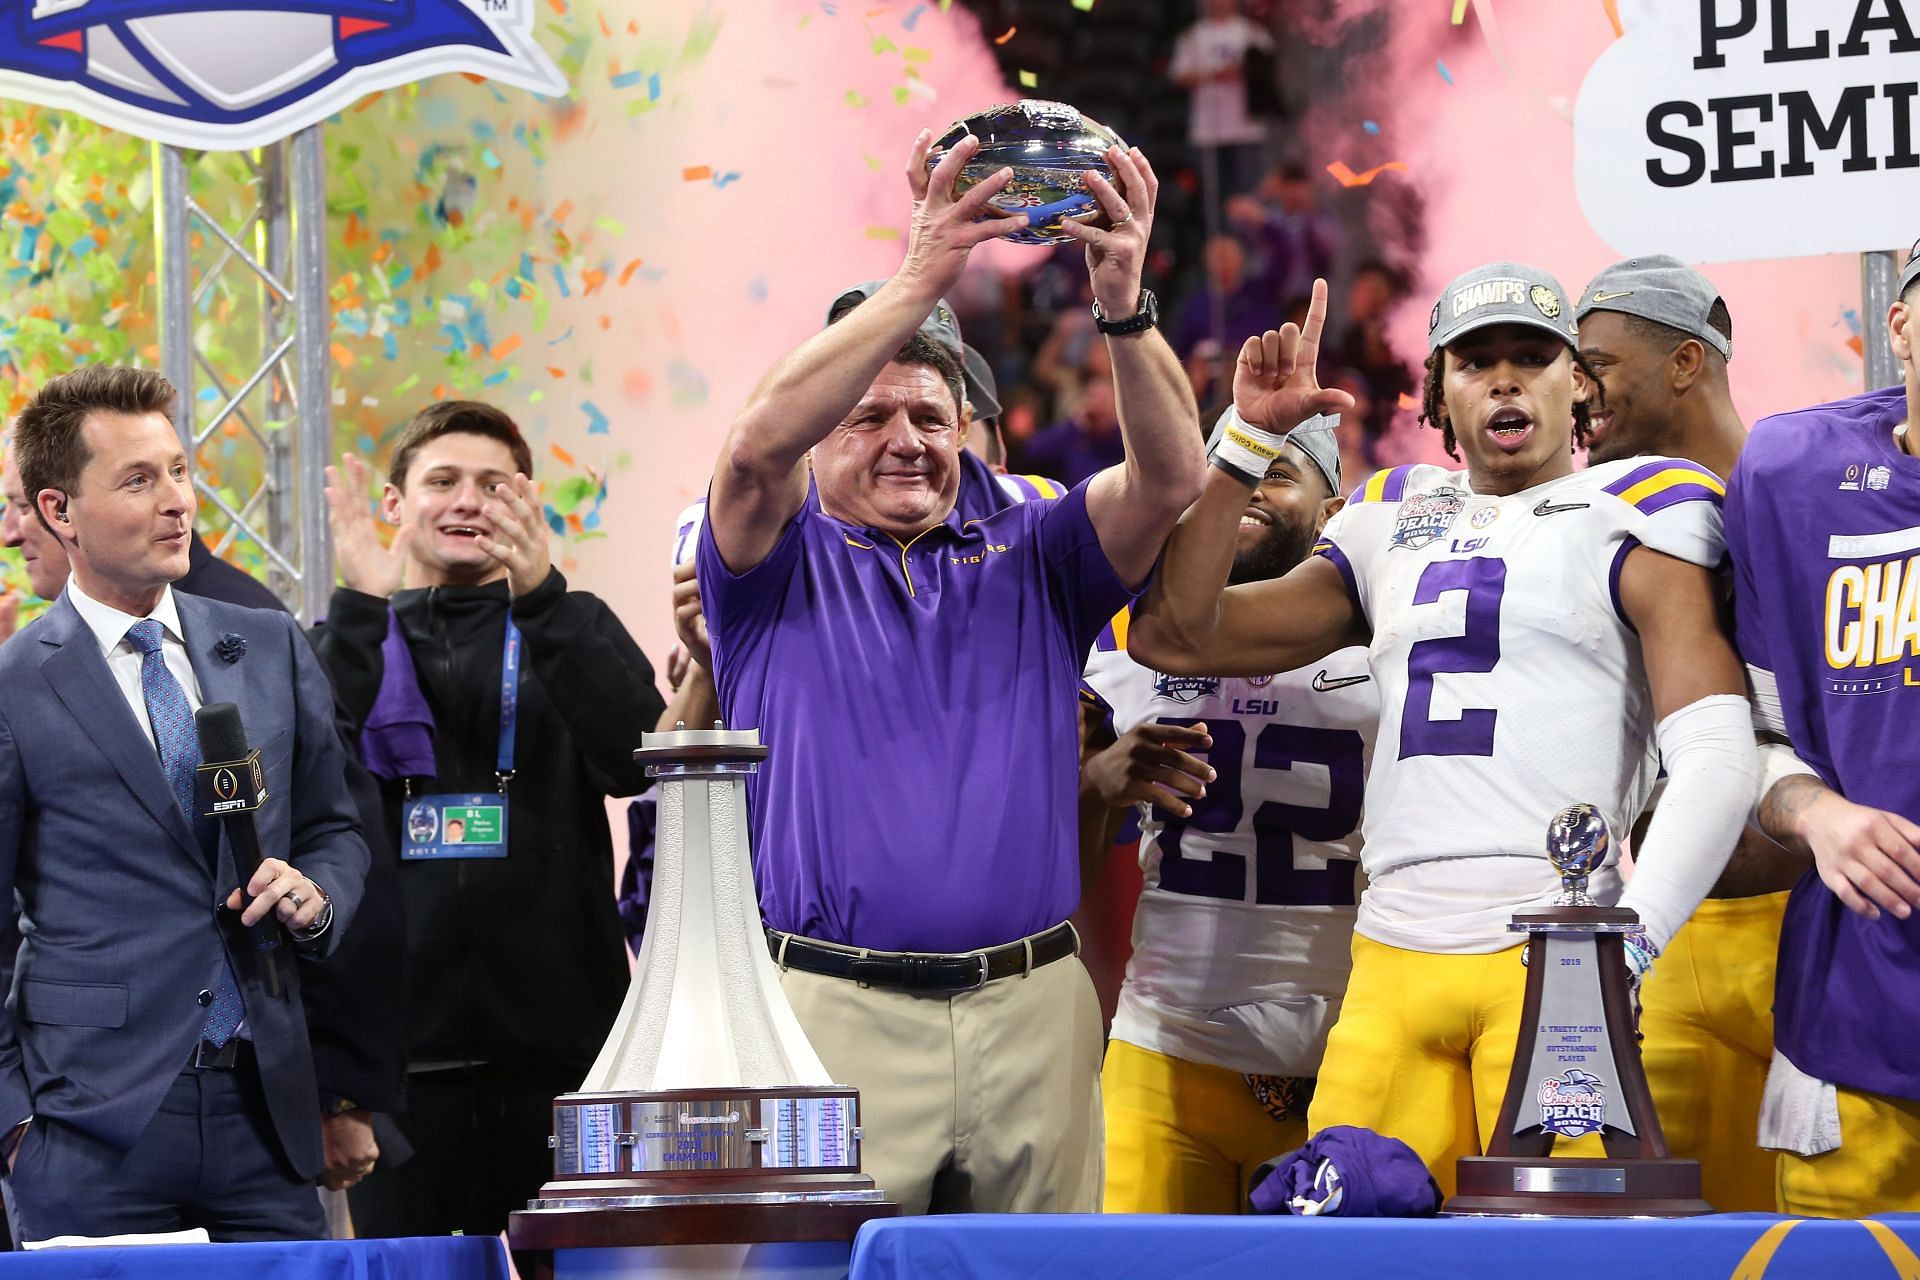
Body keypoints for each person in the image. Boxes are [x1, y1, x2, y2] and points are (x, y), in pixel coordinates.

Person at [1129, 269, 1757, 1198]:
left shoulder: (1642, 502)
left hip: (1557, 946)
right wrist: (1247, 444)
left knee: (1561, 1256)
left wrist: (1632, 939)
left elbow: (1714, 745)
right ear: (1439, 393)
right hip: (1390, 953)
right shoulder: (1389, 514)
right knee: (1347, 1250)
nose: (1506, 381)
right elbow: (1177, 630)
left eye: (1533, 358)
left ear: (1575, 382)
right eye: (1476, 362)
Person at [696, 129, 1203, 1214]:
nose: (905, 438)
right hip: (835, 1008)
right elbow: (749, 451)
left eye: (932, 415)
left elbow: (1171, 478)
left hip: (1032, 1005)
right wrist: (923, 274)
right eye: (867, 415)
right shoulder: (768, 565)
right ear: (824, 436)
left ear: (971, 431)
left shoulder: (1038, 552)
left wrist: (1124, 301)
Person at [0, 365, 368, 1240]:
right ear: (58, 512)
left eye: (178, 470)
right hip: (89, 1126)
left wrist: (318, 896)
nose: (177, 501)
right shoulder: (14, 686)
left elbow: (335, 828)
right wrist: (13, 1121)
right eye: (138, 479)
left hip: (267, 1117)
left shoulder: (268, 644)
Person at [311, 400, 665, 1247]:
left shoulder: (569, 628)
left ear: (526, 502)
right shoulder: (350, 639)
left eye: (492, 485)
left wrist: (542, 601)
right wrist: (361, 606)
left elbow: (636, 762)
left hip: (565, 1064)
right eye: (443, 482)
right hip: (401, 1077)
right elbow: (306, 773)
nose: (468, 501)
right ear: (395, 506)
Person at [1081, 413, 1374, 1213]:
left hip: (1347, 1051)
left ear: (1332, 510)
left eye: (1278, 473)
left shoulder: (1388, 642)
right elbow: (1051, 858)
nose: (1246, 492)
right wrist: (1098, 780)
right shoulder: (1129, 641)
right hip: (1167, 1045)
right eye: (1232, 474)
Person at [1575, 255, 1799, 1211]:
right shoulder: (1595, 520)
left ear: (1683, 364)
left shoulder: (1810, 496)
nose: (1575, 391)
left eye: (1596, 364)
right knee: (1641, 1232)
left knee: (1816, 1244)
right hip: (1666, 933)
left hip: (1816, 929)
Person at [1725, 241, 1920, 1217]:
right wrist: (1816, 811)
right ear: (1900, 324)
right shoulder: (1793, 474)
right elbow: (1755, 740)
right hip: (1854, 1015)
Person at [1169, 0, 1274, 198]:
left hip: (1246, 125)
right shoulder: (1194, 35)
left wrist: (1243, 71)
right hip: (1209, 127)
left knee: (1249, 192)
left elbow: (1269, 67)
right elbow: (1179, 74)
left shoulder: (1252, 32)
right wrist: (1215, 74)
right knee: (1215, 194)